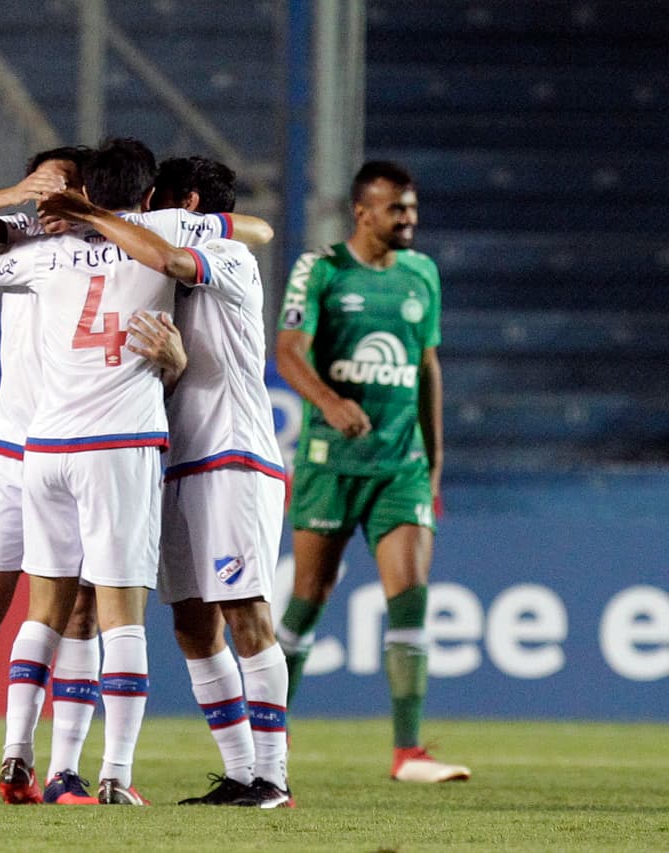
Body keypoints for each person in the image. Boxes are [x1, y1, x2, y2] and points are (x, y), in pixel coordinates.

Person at [0, 138, 248, 806]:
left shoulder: (49, 250)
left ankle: (14, 754)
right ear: (149, 197)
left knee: (46, 611)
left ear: (85, 192)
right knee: (121, 616)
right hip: (118, 445)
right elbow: (245, 231)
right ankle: (115, 772)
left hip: (46, 447)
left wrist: (39, 213)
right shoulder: (162, 232)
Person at [0, 146, 187, 806]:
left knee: (72, 612)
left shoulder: (55, 252)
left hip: (53, 442)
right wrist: (18, 190)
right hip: (20, 443)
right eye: (53, 188)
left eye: (69, 187)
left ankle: (59, 767)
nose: (59, 198)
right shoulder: (27, 238)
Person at [42, 156, 291, 807]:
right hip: (175, 459)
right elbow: (179, 373)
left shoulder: (227, 255)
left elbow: (185, 260)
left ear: (184, 204)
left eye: (154, 205)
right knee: (191, 622)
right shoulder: (149, 270)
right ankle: (241, 772)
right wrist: (174, 365)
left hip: (232, 453)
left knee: (246, 612)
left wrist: (94, 214)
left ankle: (275, 776)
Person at [273, 160, 470, 783]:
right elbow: (286, 351)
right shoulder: (321, 269)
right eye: (397, 209)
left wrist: (434, 463)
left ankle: (408, 751)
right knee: (309, 600)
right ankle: (267, 734)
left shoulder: (422, 274)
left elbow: (426, 368)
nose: (408, 219)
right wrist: (331, 403)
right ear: (363, 212)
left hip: (401, 464)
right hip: (332, 463)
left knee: (410, 595)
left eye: (412, 208)